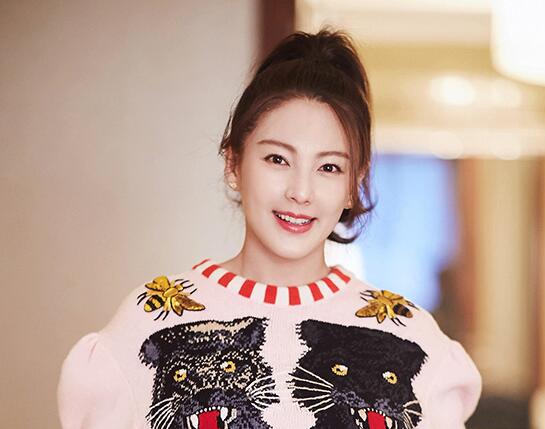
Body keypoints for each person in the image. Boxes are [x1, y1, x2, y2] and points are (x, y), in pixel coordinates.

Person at [57, 28, 482, 429]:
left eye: (329, 167)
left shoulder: (408, 335)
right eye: (278, 159)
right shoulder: (148, 322)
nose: (301, 192)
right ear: (233, 164)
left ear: (354, 184)